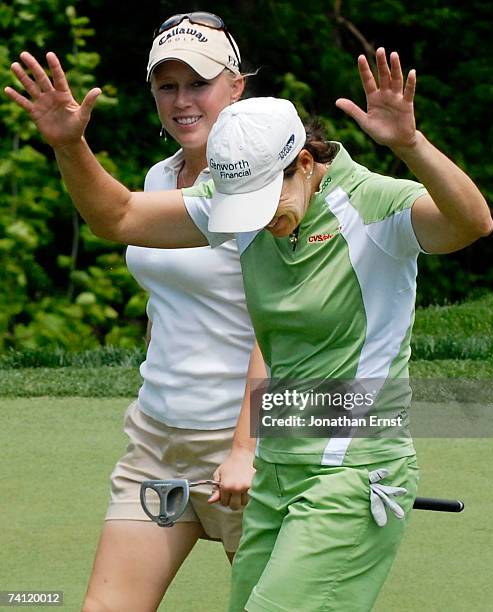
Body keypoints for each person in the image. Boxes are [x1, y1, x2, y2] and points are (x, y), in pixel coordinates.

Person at [6, 46, 493, 611]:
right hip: (281, 463)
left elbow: (471, 223)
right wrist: (69, 144)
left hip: (356, 467)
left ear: (305, 163)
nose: (258, 218)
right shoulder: (240, 198)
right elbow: (118, 217)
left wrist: (411, 145)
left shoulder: (374, 205)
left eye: (266, 199)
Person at [6, 13, 262, 612]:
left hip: (242, 451)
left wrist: (247, 448)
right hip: (158, 443)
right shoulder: (161, 176)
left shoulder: (267, 185)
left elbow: (279, 329)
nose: (181, 101)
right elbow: (150, 274)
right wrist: (69, 142)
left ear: (236, 86)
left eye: (197, 83)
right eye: (166, 87)